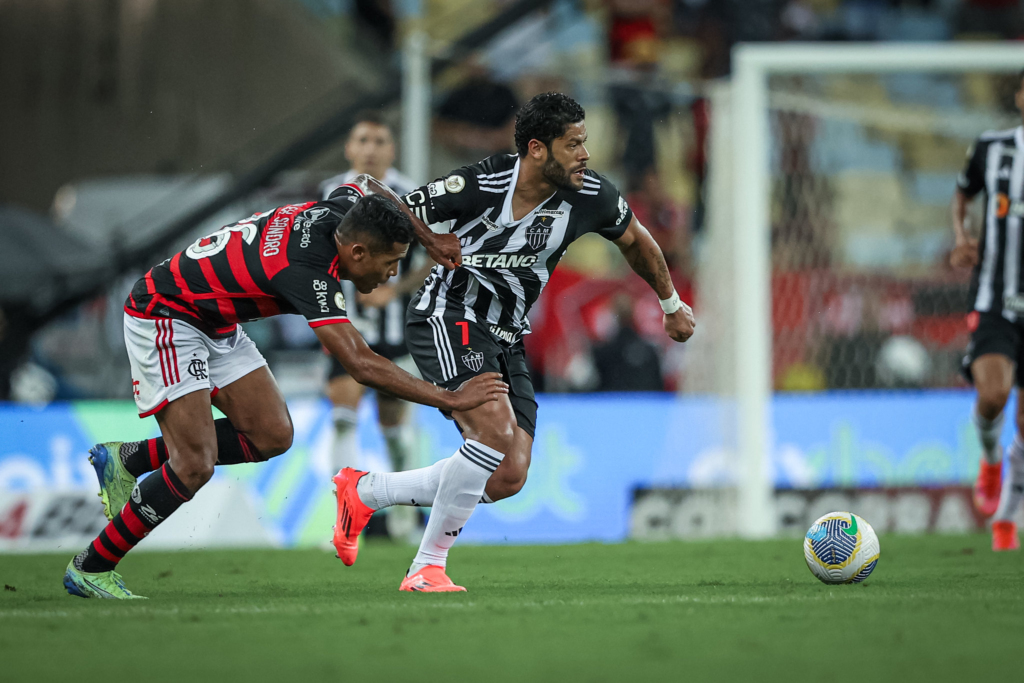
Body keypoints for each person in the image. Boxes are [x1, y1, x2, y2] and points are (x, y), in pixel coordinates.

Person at [62, 178, 507, 599]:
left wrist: (425, 236)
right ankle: (92, 566)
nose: (392, 274)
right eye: (389, 262)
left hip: (214, 320)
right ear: (356, 251)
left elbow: (370, 183)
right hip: (166, 314)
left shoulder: (341, 208)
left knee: (272, 435)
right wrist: (449, 398)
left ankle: (128, 458)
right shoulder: (306, 270)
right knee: (193, 463)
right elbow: (360, 364)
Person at [331, 92, 696, 591]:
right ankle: (425, 568)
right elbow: (384, 200)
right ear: (537, 150)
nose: (585, 155)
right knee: (494, 434)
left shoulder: (591, 196)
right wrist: (429, 239)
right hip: (448, 314)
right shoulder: (480, 184)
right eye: (573, 144)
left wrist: (671, 304)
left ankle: (366, 491)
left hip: (507, 335)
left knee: (507, 476)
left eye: (584, 142)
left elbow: (636, 240)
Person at [320, 113, 429, 540]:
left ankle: (403, 515)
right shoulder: (328, 192)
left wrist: (394, 289)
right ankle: (344, 519)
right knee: (344, 417)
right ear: (349, 148)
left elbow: (433, 256)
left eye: (379, 140)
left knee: (394, 428)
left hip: (397, 329)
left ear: (392, 149)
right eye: (362, 139)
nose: (370, 148)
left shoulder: (412, 196)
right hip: (344, 324)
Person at [951, 67, 1024, 552]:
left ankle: (1006, 521)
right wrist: (961, 236)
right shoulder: (992, 147)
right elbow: (962, 193)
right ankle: (990, 456)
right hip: (995, 300)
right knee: (993, 395)